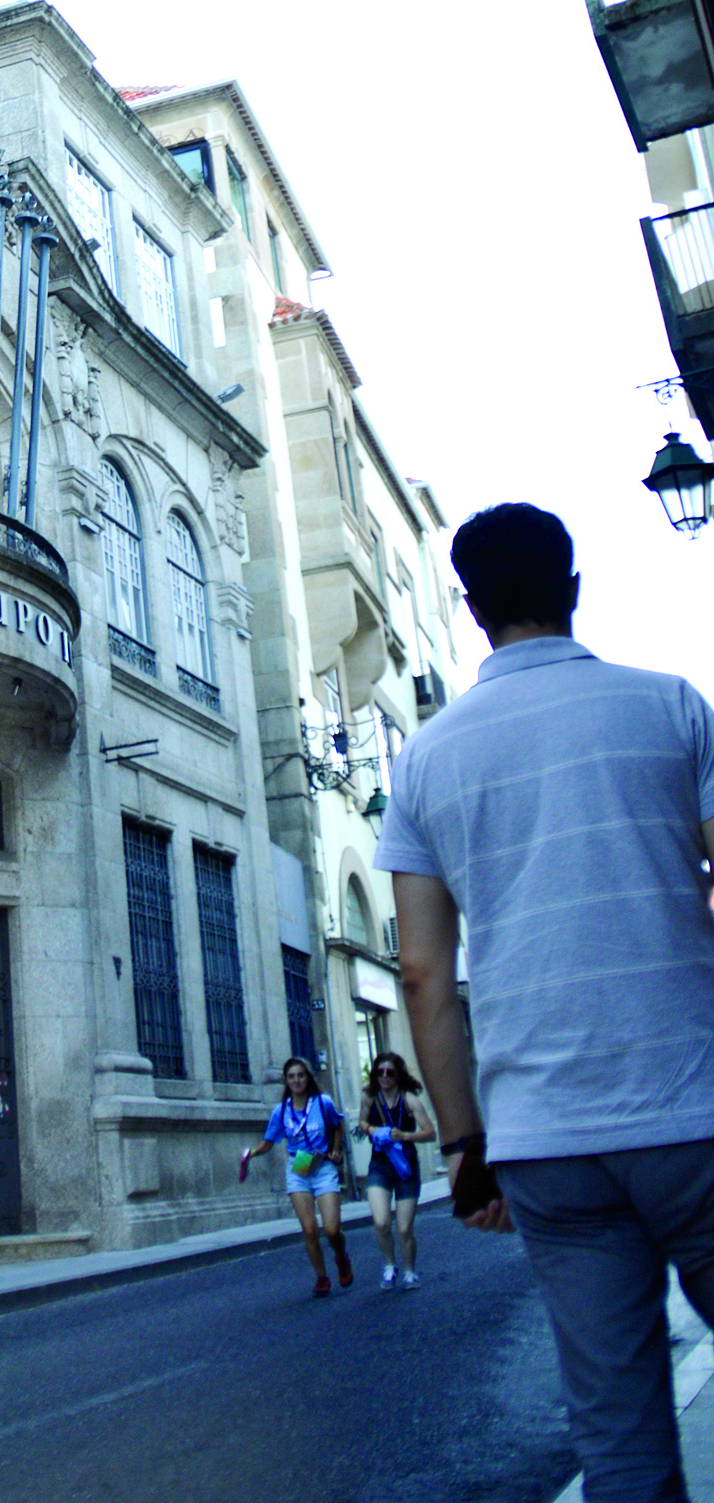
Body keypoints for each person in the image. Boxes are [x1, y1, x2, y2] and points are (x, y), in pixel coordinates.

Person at [375, 502, 714, 1502]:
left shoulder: (427, 759)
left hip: (547, 1144)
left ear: (472, 610)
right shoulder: (670, 707)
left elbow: (425, 977)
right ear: (572, 588)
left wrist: (462, 1146)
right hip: (694, 1108)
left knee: (619, 1440)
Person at [241, 1056, 353, 1296]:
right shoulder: (281, 1111)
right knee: (310, 1229)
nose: (297, 1080)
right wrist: (252, 1153)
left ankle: (341, 1255)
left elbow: (337, 1125)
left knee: (332, 1229)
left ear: (308, 1077)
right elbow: (268, 1143)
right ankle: (322, 1277)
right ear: (286, 1081)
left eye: (301, 1075)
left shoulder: (322, 1103)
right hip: (299, 1168)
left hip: (322, 1167)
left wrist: (335, 1149)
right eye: (291, 1077)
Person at [355, 1051, 435, 1289]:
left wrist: (405, 1135)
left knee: (404, 1228)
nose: (385, 1076)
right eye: (380, 1072)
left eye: (390, 1072)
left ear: (398, 1074)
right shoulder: (369, 1098)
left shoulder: (409, 1100)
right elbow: (361, 1122)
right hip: (379, 1165)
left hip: (406, 1167)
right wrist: (371, 1131)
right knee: (380, 1222)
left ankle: (410, 1271)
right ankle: (390, 1265)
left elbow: (430, 1133)